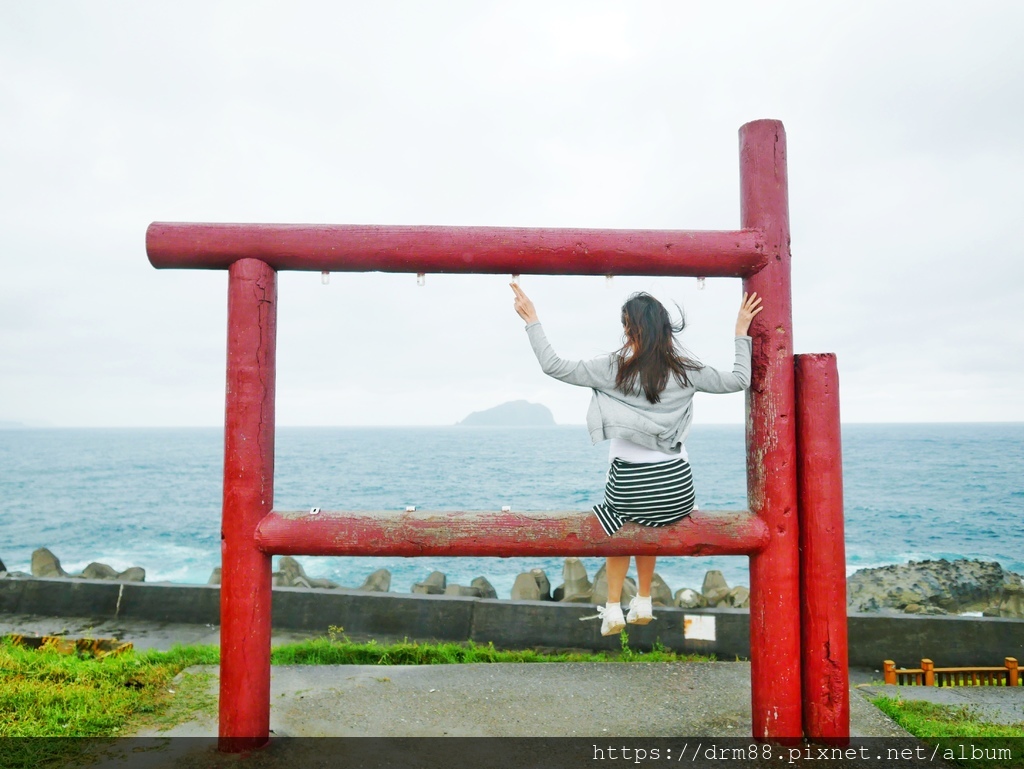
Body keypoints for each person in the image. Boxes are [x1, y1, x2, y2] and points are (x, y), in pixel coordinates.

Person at [511, 283, 763, 636]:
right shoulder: (687, 370)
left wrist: (532, 319)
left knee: (618, 515)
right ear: (665, 328)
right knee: (651, 518)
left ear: (629, 328)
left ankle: (613, 606)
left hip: (631, 489)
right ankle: (644, 598)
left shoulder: (613, 368)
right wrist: (740, 332)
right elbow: (740, 379)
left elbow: (553, 365)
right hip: (677, 492)